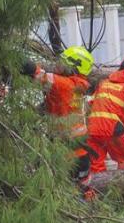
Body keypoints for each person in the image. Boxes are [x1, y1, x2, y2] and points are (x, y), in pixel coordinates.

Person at [24, 46, 95, 177]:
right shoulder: (78, 86)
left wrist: (18, 60)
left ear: (74, 67)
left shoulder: (63, 84)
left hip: (68, 154)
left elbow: (38, 74)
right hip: (78, 152)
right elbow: (60, 107)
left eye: (63, 63)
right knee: (81, 189)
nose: (58, 65)